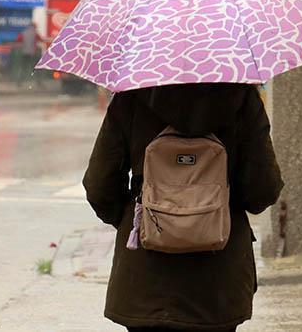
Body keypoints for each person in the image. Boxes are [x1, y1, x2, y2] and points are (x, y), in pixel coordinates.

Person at [84, 83, 284, 331]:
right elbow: (263, 190)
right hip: (218, 284)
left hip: (145, 280)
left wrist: (139, 218)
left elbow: (99, 185)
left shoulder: (131, 96)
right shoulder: (241, 97)